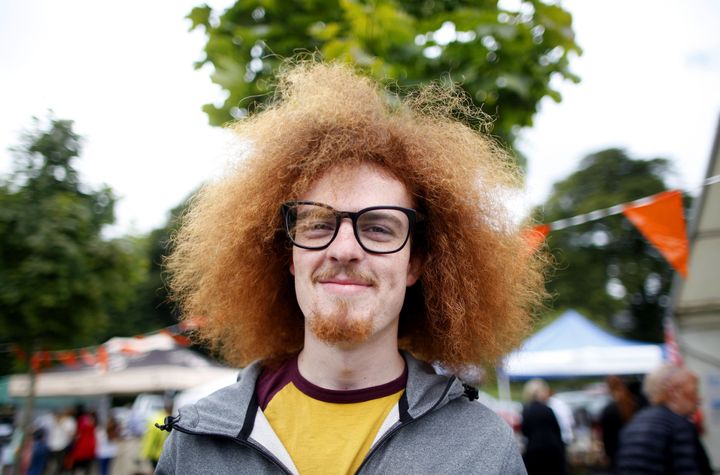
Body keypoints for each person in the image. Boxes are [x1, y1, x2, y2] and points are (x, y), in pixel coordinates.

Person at [157, 60, 545, 474]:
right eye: (319, 223)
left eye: (379, 228)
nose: (344, 249)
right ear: (290, 255)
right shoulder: (196, 443)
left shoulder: (482, 449)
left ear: (415, 263)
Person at [615, 364, 712, 475]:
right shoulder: (678, 426)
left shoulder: (634, 423)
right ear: (674, 392)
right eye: (694, 391)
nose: (699, 399)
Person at [599, 375, 646, 470]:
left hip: (621, 458)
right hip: (640, 454)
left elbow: (608, 442)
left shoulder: (610, 410)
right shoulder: (638, 403)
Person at [520, 379, 567, 475]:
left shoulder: (526, 411)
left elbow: (525, 431)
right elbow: (557, 430)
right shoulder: (548, 410)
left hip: (534, 451)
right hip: (552, 451)